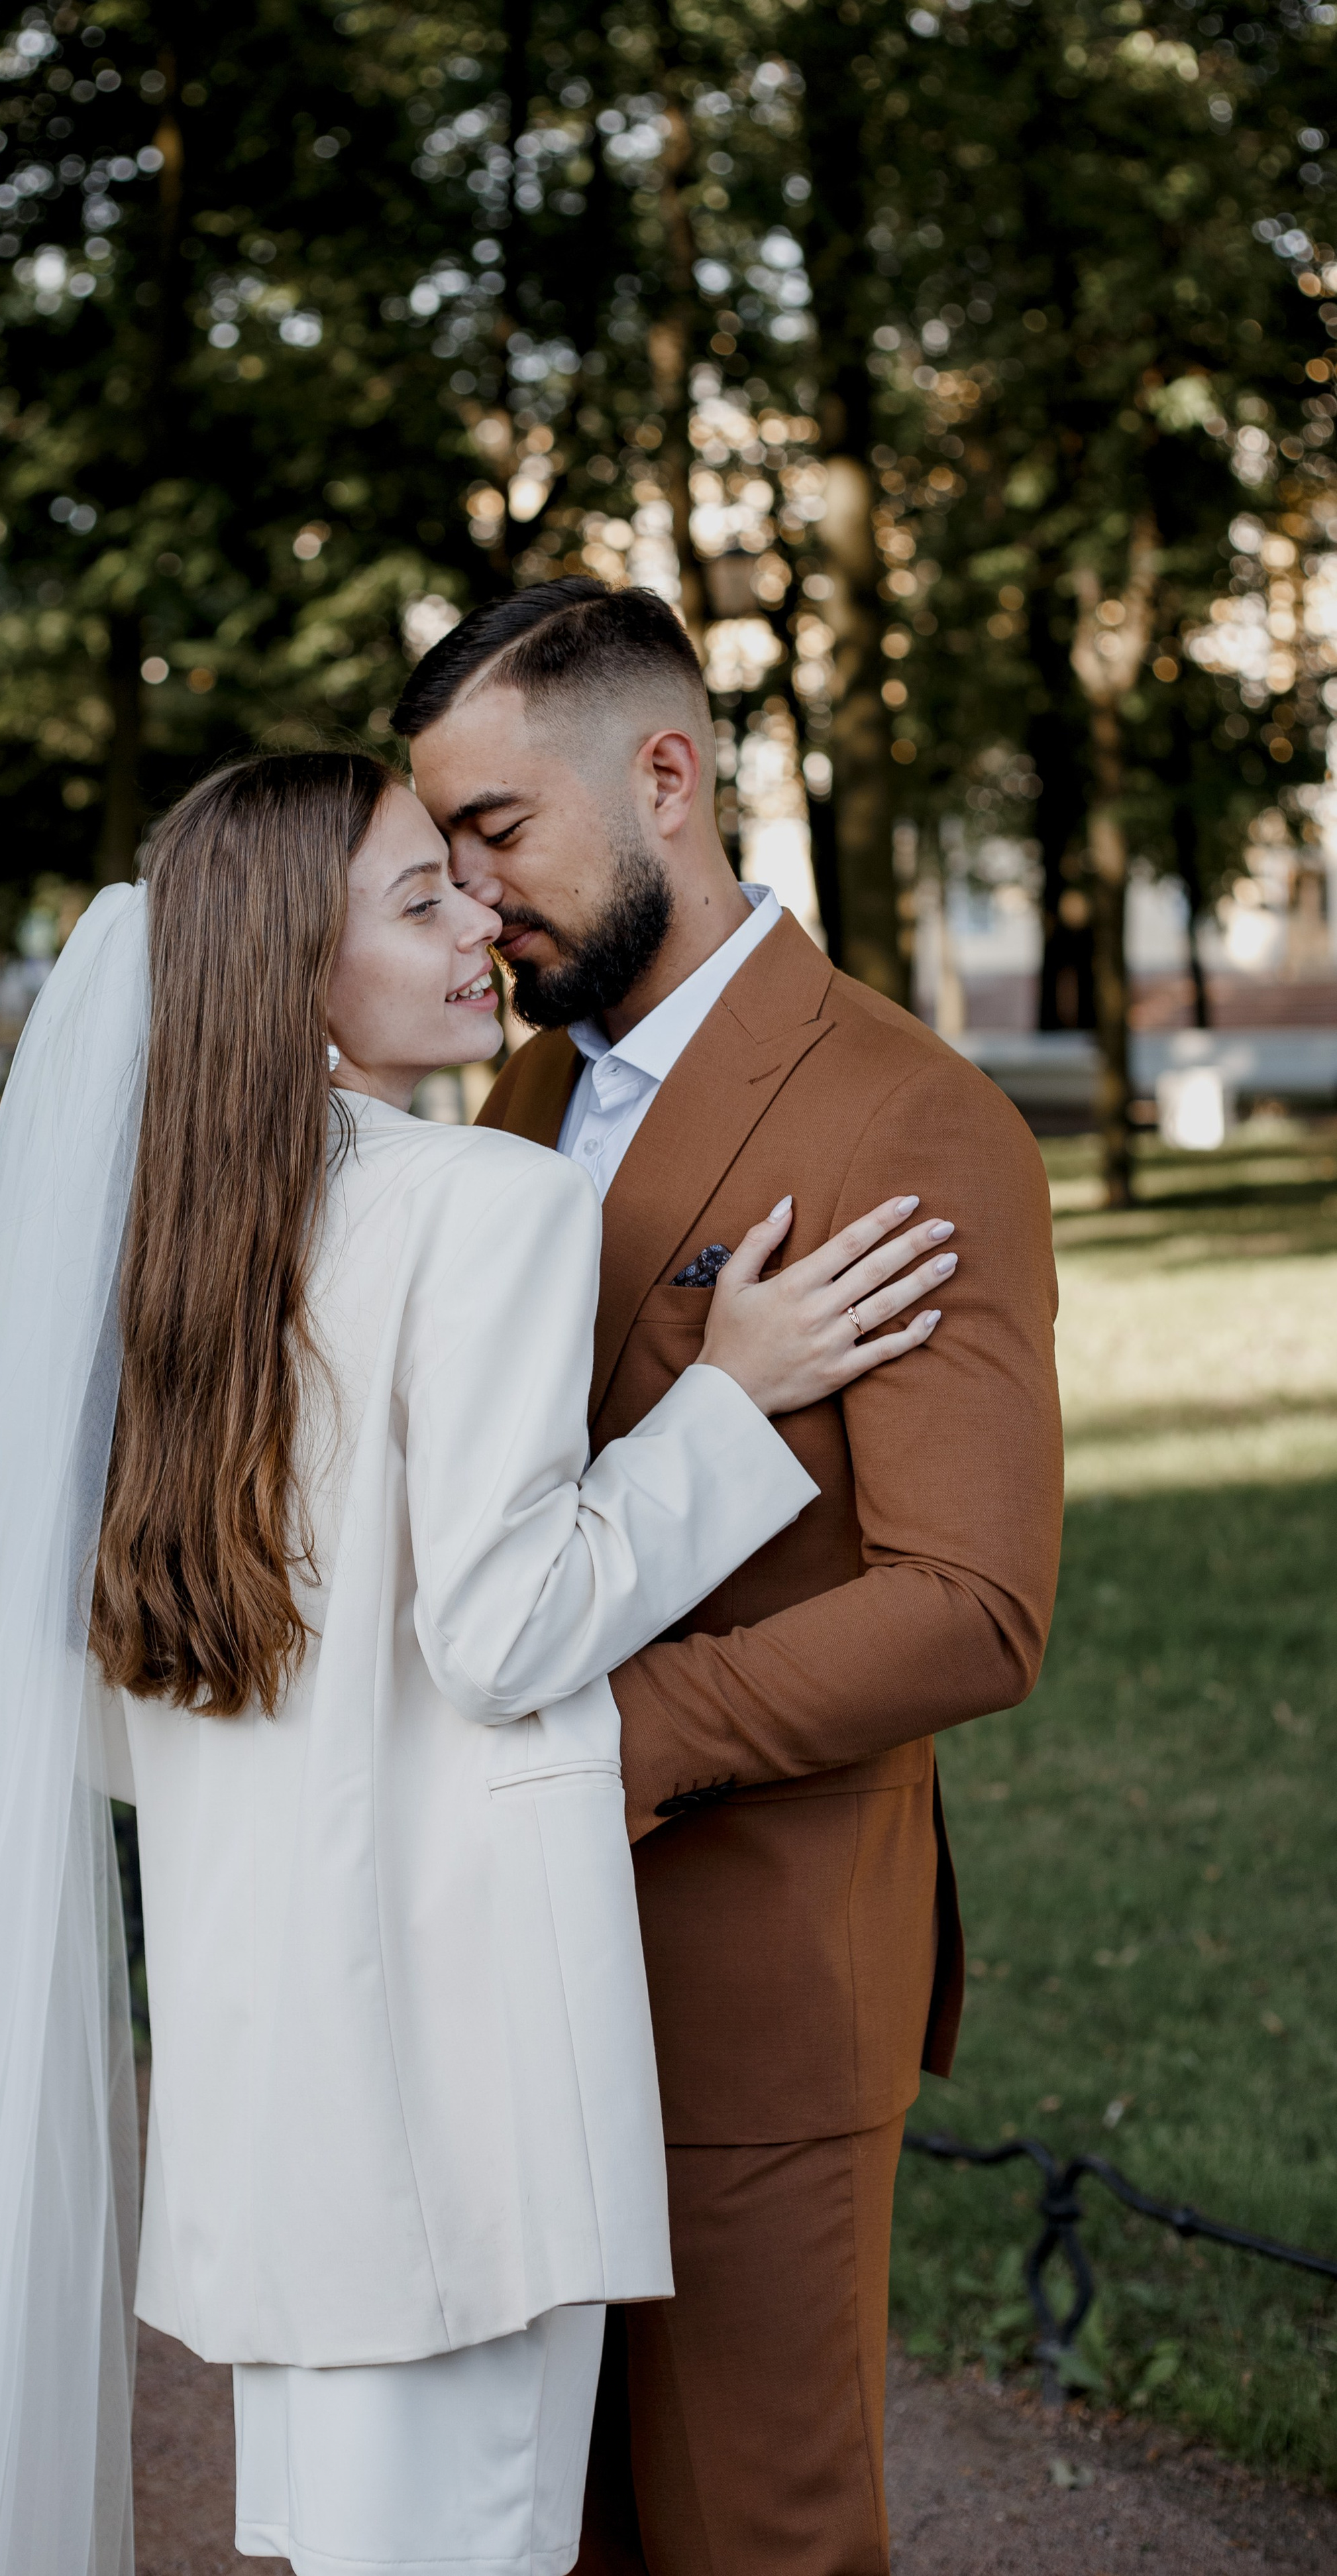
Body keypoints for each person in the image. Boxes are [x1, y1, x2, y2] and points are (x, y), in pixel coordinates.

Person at [0, 749, 952, 2576]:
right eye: (419, 900)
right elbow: (505, 1627)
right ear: (301, 971)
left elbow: (122, 1701)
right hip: (459, 2085)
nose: (482, 924)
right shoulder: (487, 1203)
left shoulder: (177, 1244)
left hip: (266, 2075)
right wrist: (726, 1400)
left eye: (467, 882)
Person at [396, 581, 1064, 2576]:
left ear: (665, 779)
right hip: (501, 1958)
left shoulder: (909, 1114)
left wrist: (601, 1734)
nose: (468, 893)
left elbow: (973, 1602)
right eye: (441, 848)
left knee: (755, 2537)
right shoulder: (523, 1092)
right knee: (556, 2532)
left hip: (750, 1970)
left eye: (498, 830)